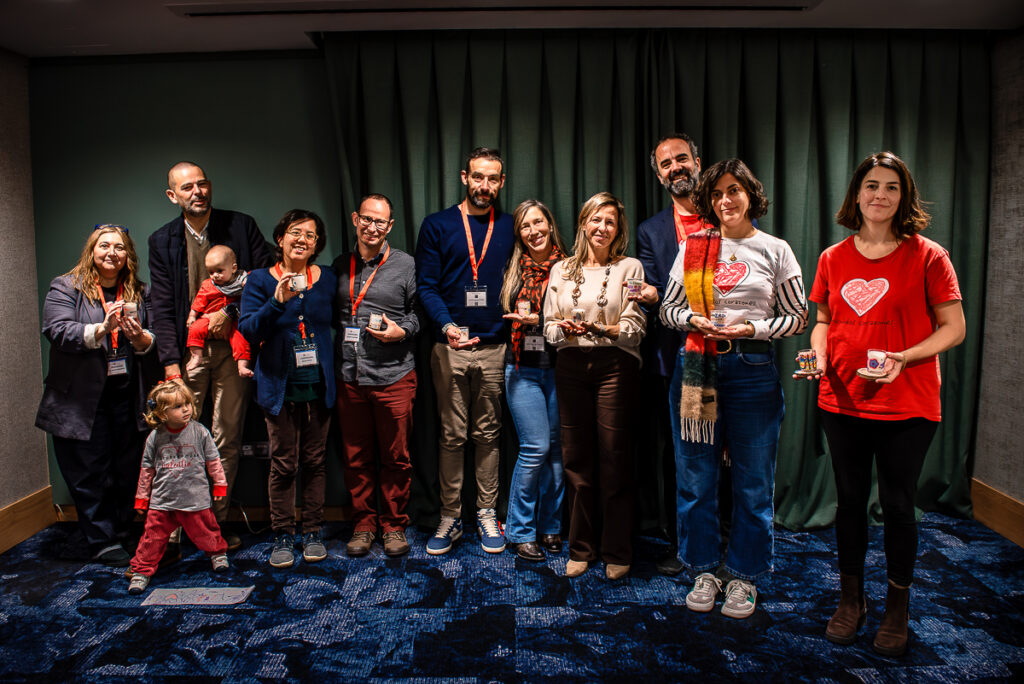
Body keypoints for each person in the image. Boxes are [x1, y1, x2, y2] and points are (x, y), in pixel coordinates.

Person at [797, 151, 965, 656]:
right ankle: (852, 599)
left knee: (897, 505)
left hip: (908, 403)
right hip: (842, 399)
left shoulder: (929, 256)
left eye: (892, 187)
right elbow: (823, 320)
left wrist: (905, 357)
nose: (880, 195)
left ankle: (897, 607)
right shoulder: (832, 257)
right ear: (857, 194)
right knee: (849, 502)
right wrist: (819, 353)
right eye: (872, 185)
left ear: (904, 196)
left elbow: (954, 328)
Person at [660, 158, 807, 619]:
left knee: (753, 482)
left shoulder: (775, 249)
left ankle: (744, 576)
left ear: (750, 194)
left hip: (752, 369)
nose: (726, 200)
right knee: (696, 480)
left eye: (734, 190)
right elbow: (667, 310)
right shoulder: (693, 248)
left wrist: (754, 329)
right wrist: (692, 319)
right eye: (718, 193)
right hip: (697, 368)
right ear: (709, 200)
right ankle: (703, 569)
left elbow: (797, 317)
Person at [149, 161, 273, 551]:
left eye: (202, 184)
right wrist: (171, 364)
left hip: (236, 349)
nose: (197, 192)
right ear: (173, 196)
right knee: (174, 439)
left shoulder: (241, 226)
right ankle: (172, 531)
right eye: (187, 187)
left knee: (226, 439)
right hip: (189, 351)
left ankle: (212, 527)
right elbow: (162, 308)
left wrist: (231, 312)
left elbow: (264, 280)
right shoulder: (161, 240)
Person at [415, 147, 516, 555]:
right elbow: (427, 286)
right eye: (478, 177)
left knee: (489, 435)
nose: (484, 186)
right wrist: (448, 326)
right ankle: (450, 516)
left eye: (492, 179)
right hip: (449, 346)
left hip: (495, 346)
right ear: (464, 177)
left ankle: (487, 513)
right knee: (452, 435)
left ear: (501, 182)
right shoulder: (437, 225)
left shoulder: (510, 226)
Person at [35, 224, 155, 566]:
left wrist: (141, 339)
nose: (111, 252)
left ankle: (122, 530)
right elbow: (56, 329)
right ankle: (101, 540)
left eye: (119, 247)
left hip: (127, 395)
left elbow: (156, 334)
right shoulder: (66, 286)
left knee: (127, 469)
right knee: (89, 472)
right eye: (104, 246)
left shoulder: (139, 291)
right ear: (92, 251)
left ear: (128, 255)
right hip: (81, 399)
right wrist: (101, 329)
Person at [543, 192, 646, 580]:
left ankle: (617, 549)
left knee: (614, 456)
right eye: (596, 219)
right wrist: (565, 331)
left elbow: (635, 329)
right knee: (576, 459)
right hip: (570, 364)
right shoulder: (561, 269)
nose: (603, 227)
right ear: (584, 223)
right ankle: (581, 548)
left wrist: (603, 330)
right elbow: (549, 327)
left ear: (618, 230)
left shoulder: (630, 268)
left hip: (614, 365)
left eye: (611, 222)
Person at [240, 209, 337, 569]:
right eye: (296, 232)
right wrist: (276, 301)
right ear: (280, 238)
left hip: (318, 386)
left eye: (310, 235)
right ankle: (282, 534)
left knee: (315, 462)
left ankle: (312, 531)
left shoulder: (327, 279)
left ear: (316, 245)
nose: (302, 240)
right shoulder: (260, 280)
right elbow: (249, 330)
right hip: (278, 388)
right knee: (283, 465)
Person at [332, 194, 419, 558]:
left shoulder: (406, 264)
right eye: (366, 219)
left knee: (396, 457)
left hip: (394, 375)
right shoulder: (340, 265)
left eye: (379, 222)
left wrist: (402, 331)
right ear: (356, 219)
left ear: (390, 226)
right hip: (350, 376)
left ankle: (394, 525)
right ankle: (364, 525)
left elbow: (418, 313)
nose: (372, 227)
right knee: (356, 457)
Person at [636, 133, 707, 576]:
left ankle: (721, 540)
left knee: (723, 449)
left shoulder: (727, 212)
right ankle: (680, 542)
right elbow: (653, 289)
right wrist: (655, 297)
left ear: (697, 161)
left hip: (727, 352)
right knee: (677, 452)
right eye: (666, 163)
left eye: (682, 159)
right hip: (674, 357)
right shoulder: (651, 230)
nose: (675, 167)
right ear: (659, 174)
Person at [499, 200, 567, 562]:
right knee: (535, 448)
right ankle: (521, 531)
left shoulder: (569, 267)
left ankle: (550, 526)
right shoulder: (513, 268)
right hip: (521, 368)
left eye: (538, 222)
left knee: (557, 450)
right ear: (519, 234)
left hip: (560, 368)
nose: (533, 231)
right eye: (525, 226)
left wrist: (540, 321)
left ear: (550, 225)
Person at [128, 382, 229, 594]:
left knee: (207, 531)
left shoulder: (200, 432)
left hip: (195, 499)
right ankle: (141, 570)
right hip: (163, 501)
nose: (185, 410)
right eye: (177, 406)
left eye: (187, 404)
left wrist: (220, 484)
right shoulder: (155, 437)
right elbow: (146, 470)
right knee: (152, 538)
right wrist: (142, 498)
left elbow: (213, 460)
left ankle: (218, 554)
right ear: (161, 413)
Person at [185, 245, 252, 377]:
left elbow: (252, 295)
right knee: (195, 328)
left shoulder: (243, 280)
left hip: (235, 319)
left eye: (220, 271)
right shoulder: (208, 285)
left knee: (241, 337)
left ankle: (242, 365)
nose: (215, 275)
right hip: (209, 317)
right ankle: (196, 356)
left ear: (233, 268)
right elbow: (199, 301)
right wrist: (192, 315)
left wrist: (248, 285)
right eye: (211, 272)